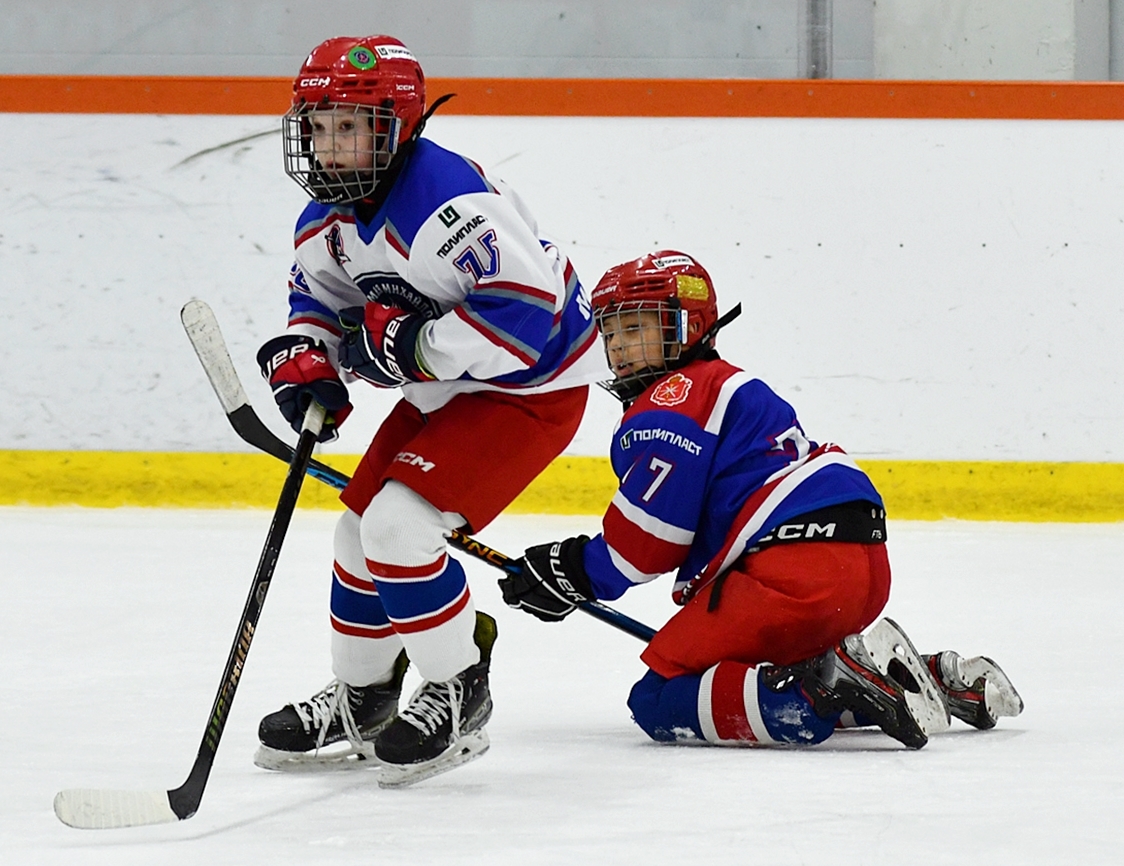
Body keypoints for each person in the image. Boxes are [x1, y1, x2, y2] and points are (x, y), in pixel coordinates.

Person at [252, 35, 604, 785]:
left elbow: (522, 316)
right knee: (357, 532)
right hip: (448, 389)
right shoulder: (326, 218)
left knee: (399, 528)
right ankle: (364, 699)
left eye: (350, 126)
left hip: (530, 389)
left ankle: (458, 688)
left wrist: (412, 347)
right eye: (318, 126)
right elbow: (318, 299)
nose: (329, 145)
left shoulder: (446, 202)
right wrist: (309, 359)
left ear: (396, 127)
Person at [499, 251, 1023, 748]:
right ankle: (916, 680)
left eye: (636, 329)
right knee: (764, 674)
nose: (619, 348)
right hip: (857, 565)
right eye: (611, 332)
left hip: (792, 575)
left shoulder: (672, 401)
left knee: (660, 698)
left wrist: (571, 570)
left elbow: (647, 545)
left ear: (686, 326)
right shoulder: (729, 386)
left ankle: (820, 690)